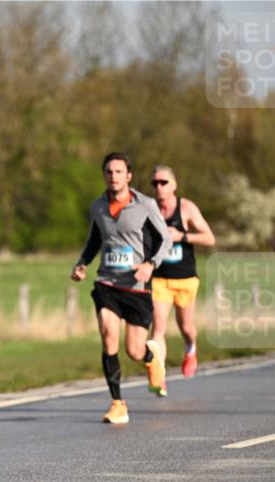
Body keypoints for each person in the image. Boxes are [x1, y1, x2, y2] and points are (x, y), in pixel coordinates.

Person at [71, 152, 171, 424]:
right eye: (108, 172)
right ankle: (118, 403)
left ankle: (152, 359)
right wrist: (82, 263)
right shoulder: (98, 206)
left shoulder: (146, 205)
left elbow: (166, 240)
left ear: (128, 176)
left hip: (137, 287)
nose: (113, 176)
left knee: (134, 351)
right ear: (104, 175)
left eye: (118, 172)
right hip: (107, 283)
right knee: (108, 335)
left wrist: (150, 264)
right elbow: (94, 239)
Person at [149, 165, 215, 389]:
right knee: (158, 327)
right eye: (155, 183)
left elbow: (209, 238)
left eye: (164, 182)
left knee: (185, 325)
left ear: (174, 185)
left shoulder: (186, 208)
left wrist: (182, 236)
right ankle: (159, 376)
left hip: (186, 278)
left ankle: (191, 349)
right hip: (160, 278)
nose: (159, 187)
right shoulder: (149, 210)